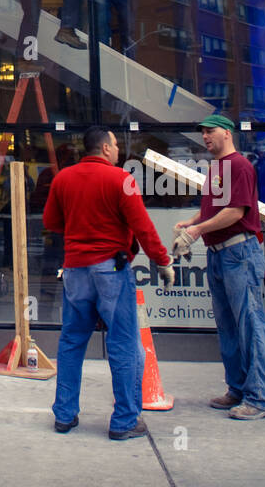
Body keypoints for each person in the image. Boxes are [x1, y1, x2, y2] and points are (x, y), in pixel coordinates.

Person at [43, 127, 174, 439]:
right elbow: (142, 225)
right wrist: (162, 260)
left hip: (75, 269)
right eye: (115, 145)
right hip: (111, 270)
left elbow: (50, 222)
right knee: (123, 343)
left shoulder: (63, 179)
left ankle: (64, 415)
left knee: (72, 341)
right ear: (104, 148)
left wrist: (79, 226)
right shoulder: (121, 180)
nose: (118, 150)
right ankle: (125, 420)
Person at [173, 115, 265, 420]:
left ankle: (260, 399)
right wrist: (192, 222)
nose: (205, 137)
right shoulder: (218, 169)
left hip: (238, 252)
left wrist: (197, 231)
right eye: (202, 132)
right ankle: (238, 389)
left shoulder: (239, 166)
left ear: (227, 134)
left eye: (210, 131)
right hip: (221, 254)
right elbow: (215, 209)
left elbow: (236, 212)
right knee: (229, 326)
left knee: (248, 324)